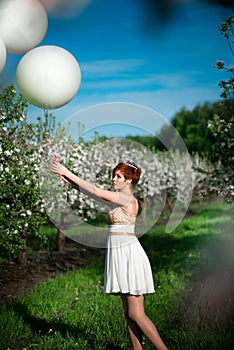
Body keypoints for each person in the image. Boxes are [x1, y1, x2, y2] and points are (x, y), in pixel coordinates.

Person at [50, 158, 168, 350]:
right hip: (119, 255)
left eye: (119, 176)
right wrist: (64, 175)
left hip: (129, 255)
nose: (114, 179)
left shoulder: (126, 198)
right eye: (114, 175)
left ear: (129, 180)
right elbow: (90, 192)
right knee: (128, 313)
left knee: (137, 313)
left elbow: (96, 190)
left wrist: (66, 171)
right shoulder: (116, 198)